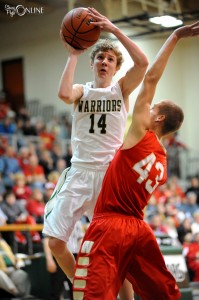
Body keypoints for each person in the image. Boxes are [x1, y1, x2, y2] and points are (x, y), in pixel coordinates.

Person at [72, 22, 199, 300]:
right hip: (139, 229)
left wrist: (175, 36)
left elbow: (151, 77)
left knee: (91, 295)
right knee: (164, 291)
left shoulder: (141, 133)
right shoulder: (163, 163)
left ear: (159, 118)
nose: (148, 107)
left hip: (110, 224)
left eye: (153, 108)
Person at [42, 6, 148, 297]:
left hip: (110, 178)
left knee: (120, 251)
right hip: (79, 173)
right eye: (100, 57)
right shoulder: (82, 90)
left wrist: (113, 30)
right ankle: (83, 285)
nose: (104, 61)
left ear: (115, 67)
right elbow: (64, 94)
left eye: (110, 59)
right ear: (93, 63)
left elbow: (142, 62)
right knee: (54, 242)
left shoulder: (121, 89)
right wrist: (73, 55)